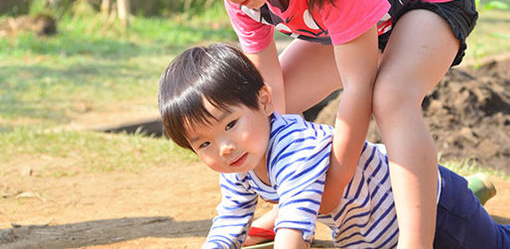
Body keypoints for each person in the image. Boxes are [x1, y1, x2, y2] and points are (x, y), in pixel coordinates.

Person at [160, 0, 479, 247]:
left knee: (390, 96)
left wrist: (336, 181)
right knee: (254, 105)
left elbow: (359, 86)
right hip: (362, 16)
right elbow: (267, 88)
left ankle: (416, 242)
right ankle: (294, 201)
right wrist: (298, 192)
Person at [157, 43, 509, 249]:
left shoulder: (294, 149)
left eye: (230, 124)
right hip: (377, 235)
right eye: (204, 142)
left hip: (436, 210)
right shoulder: (240, 164)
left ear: (265, 101)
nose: (224, 148)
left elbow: (294, 226)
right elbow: (231, 218)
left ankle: (473, 200)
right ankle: (476, 195)